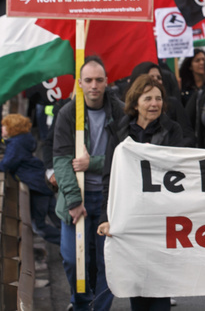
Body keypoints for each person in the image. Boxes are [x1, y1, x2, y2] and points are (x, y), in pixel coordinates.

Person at [98, 75, 187, 311]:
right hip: (132, 218)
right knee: (136, 286)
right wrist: (105, 218)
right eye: (148, 98)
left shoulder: (173, 130)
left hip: (161, 218)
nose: (154, 104)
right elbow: (110, 177)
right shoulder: (118, 131)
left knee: (159, 287)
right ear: (135, 102)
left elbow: (178, 172)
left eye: (158, 98)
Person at [52, 56, 124, 311]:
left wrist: (91, 162)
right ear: (79, 83)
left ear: (107, 82)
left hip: (109, 198)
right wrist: (73, 200)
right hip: (77, 198)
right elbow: (61, 160)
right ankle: (81, 303)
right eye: (89, 80)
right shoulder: (68, 113)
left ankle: (100, 308)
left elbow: (124, 156)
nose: (94, 85)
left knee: (107, 261)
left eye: (99, 80)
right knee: (74, 259)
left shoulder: (120, 111)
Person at [0, 113, 60, 244]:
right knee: (59, 219)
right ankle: (75, 243)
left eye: (4, 126)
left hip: (37, 187)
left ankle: (66, 244)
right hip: (43, 183)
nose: (2, 129)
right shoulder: (23, 140)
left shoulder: (15, 145)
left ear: (12, 128)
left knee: (39, 226)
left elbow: (6, 164)